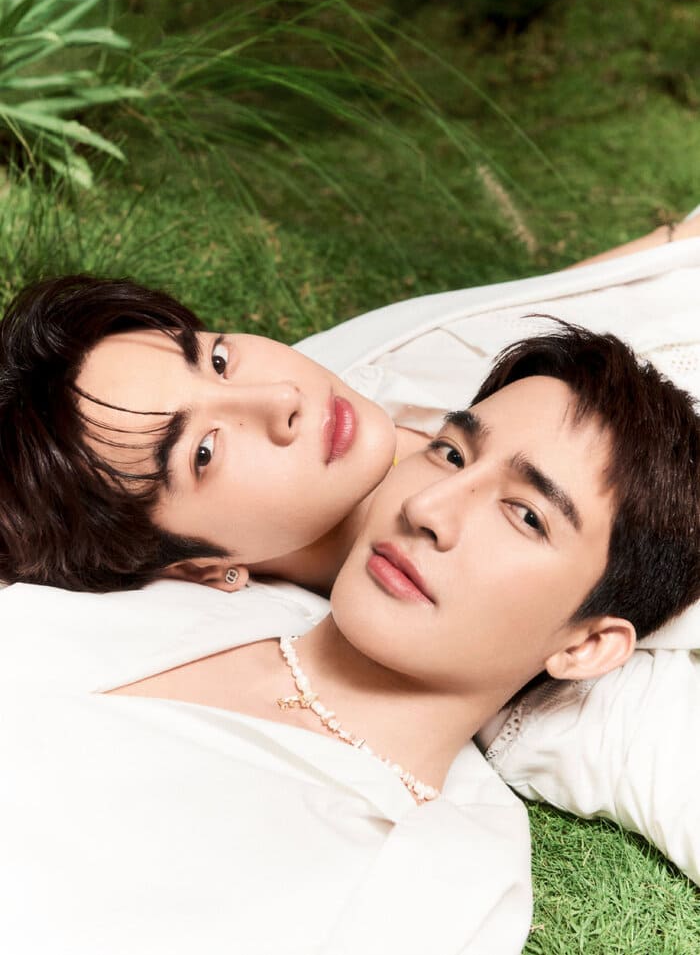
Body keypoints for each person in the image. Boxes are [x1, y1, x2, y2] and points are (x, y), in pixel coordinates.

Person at [1, 323, 698, 955]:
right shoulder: (180, 588)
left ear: (584, 648)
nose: (427, 507)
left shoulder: (440, 878)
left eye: (525, 515)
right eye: (450, 454)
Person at [0, 214, 699, 596]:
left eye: (215, 359)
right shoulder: (500, 609)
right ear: (193, 568)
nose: (281, 397)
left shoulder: (362, 362)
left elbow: (562, 295)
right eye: (204, 451)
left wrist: (677, 234)